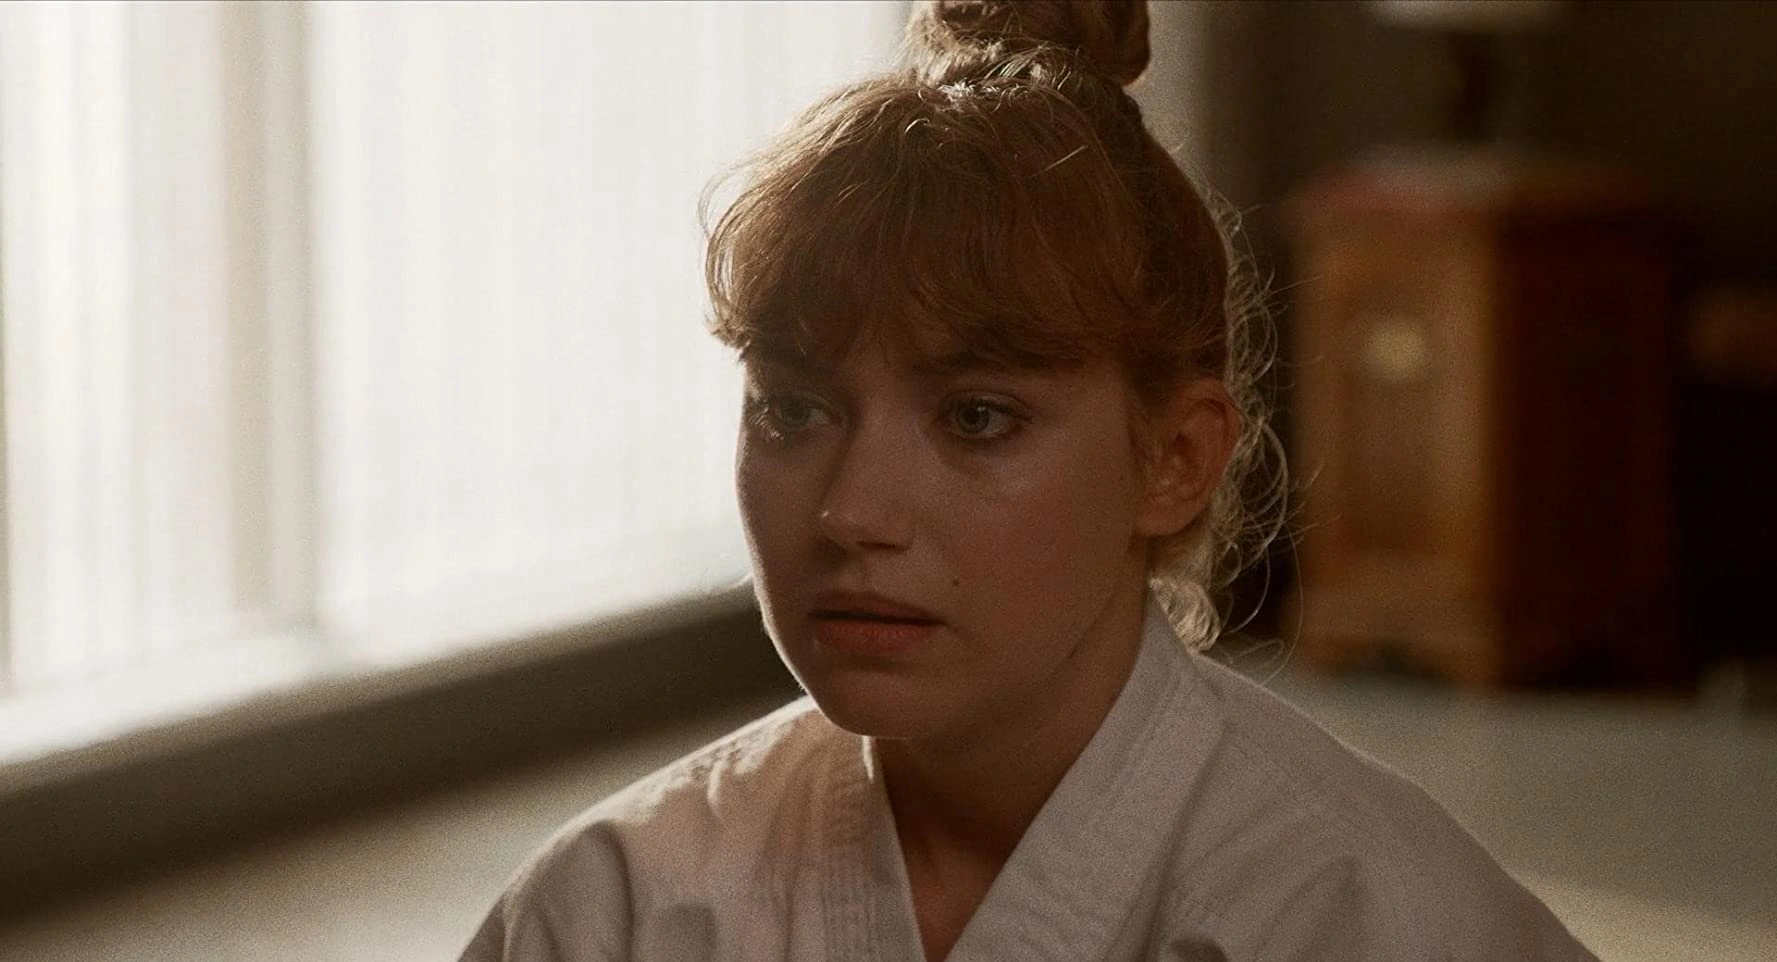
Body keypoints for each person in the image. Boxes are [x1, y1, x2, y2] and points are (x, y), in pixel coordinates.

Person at [460, 2, 1598, 959]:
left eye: (976, 416)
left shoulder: (1366, 916)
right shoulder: (617, 910)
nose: (850, 512)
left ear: (1174, 460)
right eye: (794, 408)